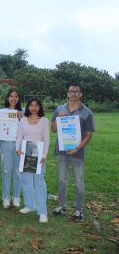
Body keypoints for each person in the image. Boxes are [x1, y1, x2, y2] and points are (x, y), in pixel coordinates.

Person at [51, 83, 95, 221]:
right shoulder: (60, 109)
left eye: (76, 92)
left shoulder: (87, 112)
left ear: (81, 94)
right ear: (67, 94)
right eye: (71, 91)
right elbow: (53, 129)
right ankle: (62, 206)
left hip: (77, 152)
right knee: (62, 180)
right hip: (62, 151)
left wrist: (77, 148)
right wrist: (59, 119)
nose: (74, 94)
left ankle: (78, 210)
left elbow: (88, 134)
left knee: (78, 183)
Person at [16, 97, 49, 223]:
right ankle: (30, 205)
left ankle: (42, 212)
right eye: (31, 105)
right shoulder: (23, 120)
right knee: (25, 180)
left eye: (36, 105)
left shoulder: (44, 121)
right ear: (28, 107)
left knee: (39, 182)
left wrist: (44, 156)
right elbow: (19, 136)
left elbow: (46, 140)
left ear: (39, 107)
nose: (34, 108)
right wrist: (17, 149)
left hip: (39, 154)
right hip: (25, 153)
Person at [0, 89, 23, 208]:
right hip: (5, 144)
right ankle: (6, 197)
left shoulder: (22, 112)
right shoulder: (2, 112)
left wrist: (21, 117)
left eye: (16, 96)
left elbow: (26, 129)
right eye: (11, 96)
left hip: (19, 145)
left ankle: (16, 197)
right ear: (8, 98)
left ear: (18, 98)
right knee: (6, 171)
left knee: (18, 172)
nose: (13, 98)